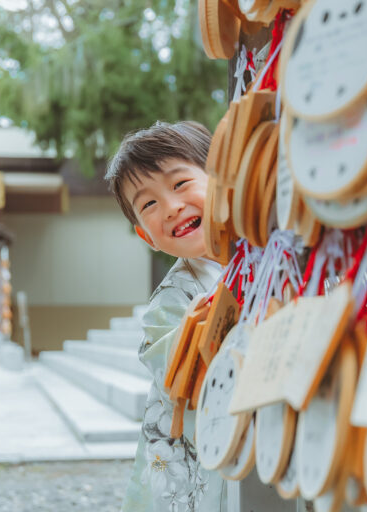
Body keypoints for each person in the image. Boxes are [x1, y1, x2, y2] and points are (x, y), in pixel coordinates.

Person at [106, 121, 226, 512]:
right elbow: (174, 364)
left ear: (222, 178)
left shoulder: (276, 251)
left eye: (179, 184)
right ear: (147, 237)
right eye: (149, 204)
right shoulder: (171, 302)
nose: (172, 207)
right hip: (209, 460)